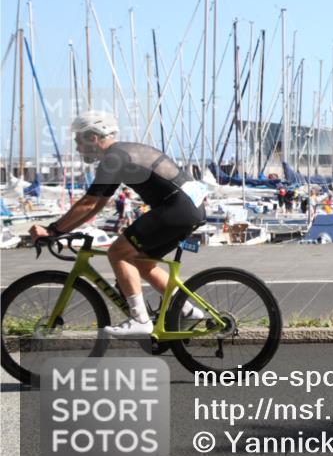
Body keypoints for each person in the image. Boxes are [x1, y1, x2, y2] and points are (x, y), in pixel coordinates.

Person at [29, 111, 207, 337]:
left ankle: (140, 319)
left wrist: (53, 230)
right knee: (142, 262)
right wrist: (62, 231)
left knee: (118, 253)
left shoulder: (114, 158)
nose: (76, 147)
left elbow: (87, 203)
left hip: (177, 208)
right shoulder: (120, 153)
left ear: (93, 138)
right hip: (188, 207)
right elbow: (95, 206)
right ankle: (187, 310)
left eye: (78, 141)